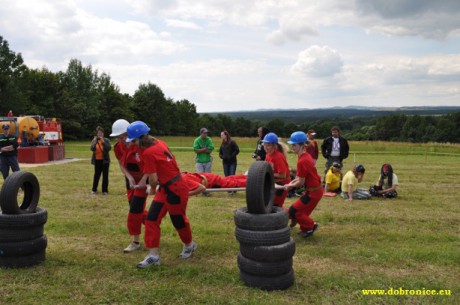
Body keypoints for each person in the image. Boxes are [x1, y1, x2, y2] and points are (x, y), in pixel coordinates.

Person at [126, 121, 197, 268]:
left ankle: (189, 245)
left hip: (175, 188)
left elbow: (153, 178)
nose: (132, 144)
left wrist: (151, 189)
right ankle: (153, 256)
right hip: (165, 188)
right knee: (152, 219)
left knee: (178, 220)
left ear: (139, 139)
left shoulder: (148, 152)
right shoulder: (159, 143)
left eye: (133, 141)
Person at [110, 119, 148, 253]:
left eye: (122, 137)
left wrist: (143, 180)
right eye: (117, 137)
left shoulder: (139, 145)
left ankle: (137, 240)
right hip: (131, 181)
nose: (120, 140)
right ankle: (151, 223)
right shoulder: (118, 148)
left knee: (135, 210)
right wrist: (130, 178)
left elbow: (150, 166)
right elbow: (121, 164)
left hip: (145, 179)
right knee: (135, 208)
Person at [284, 131, 323, 238]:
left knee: (294, 211)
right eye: (292, 145)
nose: (293, 147)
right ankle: (306, 229)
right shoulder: (305, 156)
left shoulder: (302, 160)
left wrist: (289, 187)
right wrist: (290, 183)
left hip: (313, 192)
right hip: (314, 190)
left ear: (302, 145)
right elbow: (299, 177)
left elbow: (301, 182)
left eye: (295, 145)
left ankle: (311, 226)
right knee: (300, 211)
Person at [261, 132, 291, 208]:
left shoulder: (278, 157)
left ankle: (290, 215)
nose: (265, 147)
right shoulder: (268, 154)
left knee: (276, 206)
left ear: (274, 145)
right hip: (274, 182)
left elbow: (283, 175)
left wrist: (267, 174)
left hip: (282, 184)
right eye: (264, 144)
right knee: (270, 204)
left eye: (268, 145)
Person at [181, 172, 247, 196]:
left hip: (211, 181)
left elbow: (201, 188)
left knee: (231, 184)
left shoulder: (183, 180)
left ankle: (250, 181)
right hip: (207, 176)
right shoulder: (181, 175)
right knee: (227, 179)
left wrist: (187, 194)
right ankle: (245, 176)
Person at [90, 126, 111, 195]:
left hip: (105, 161)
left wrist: (103, 142)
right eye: (99, 133)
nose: (100, 134)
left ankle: (105, 191)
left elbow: (108, 148)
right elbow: (92, 148)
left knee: (105, 176)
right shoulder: (94, 140)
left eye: (101, 133)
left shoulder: (106, 140)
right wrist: (95, 141)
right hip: (97, 160)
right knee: (96, 175)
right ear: (97, 133)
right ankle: (94, 189)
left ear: (103, 133)